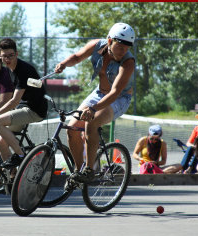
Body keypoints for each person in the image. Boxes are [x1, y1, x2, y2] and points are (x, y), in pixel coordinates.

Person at [54, 22, 136, 182]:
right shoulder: (96, 45)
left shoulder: (128, 62)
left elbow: (115, 92)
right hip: (99, 93)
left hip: (119, 99)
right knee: (71, 129)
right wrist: (64, 64)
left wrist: (93, 109)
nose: (124, 51)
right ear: (110, 41)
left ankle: (89, 170)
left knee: (91, 122)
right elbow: (77, 57)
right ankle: (78, 172)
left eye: (127, 48)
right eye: (120, 47)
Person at [0, 38, 48, 169]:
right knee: (1, 142)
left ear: (17, 54)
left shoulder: (23, 70)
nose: (7, 59)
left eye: (11, 55)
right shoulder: (10, 70)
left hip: (34, 110)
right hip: (24, 107)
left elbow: (14, 100)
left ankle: (21, 155)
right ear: (0, 55)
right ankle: (12, 179)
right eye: (4, 56)